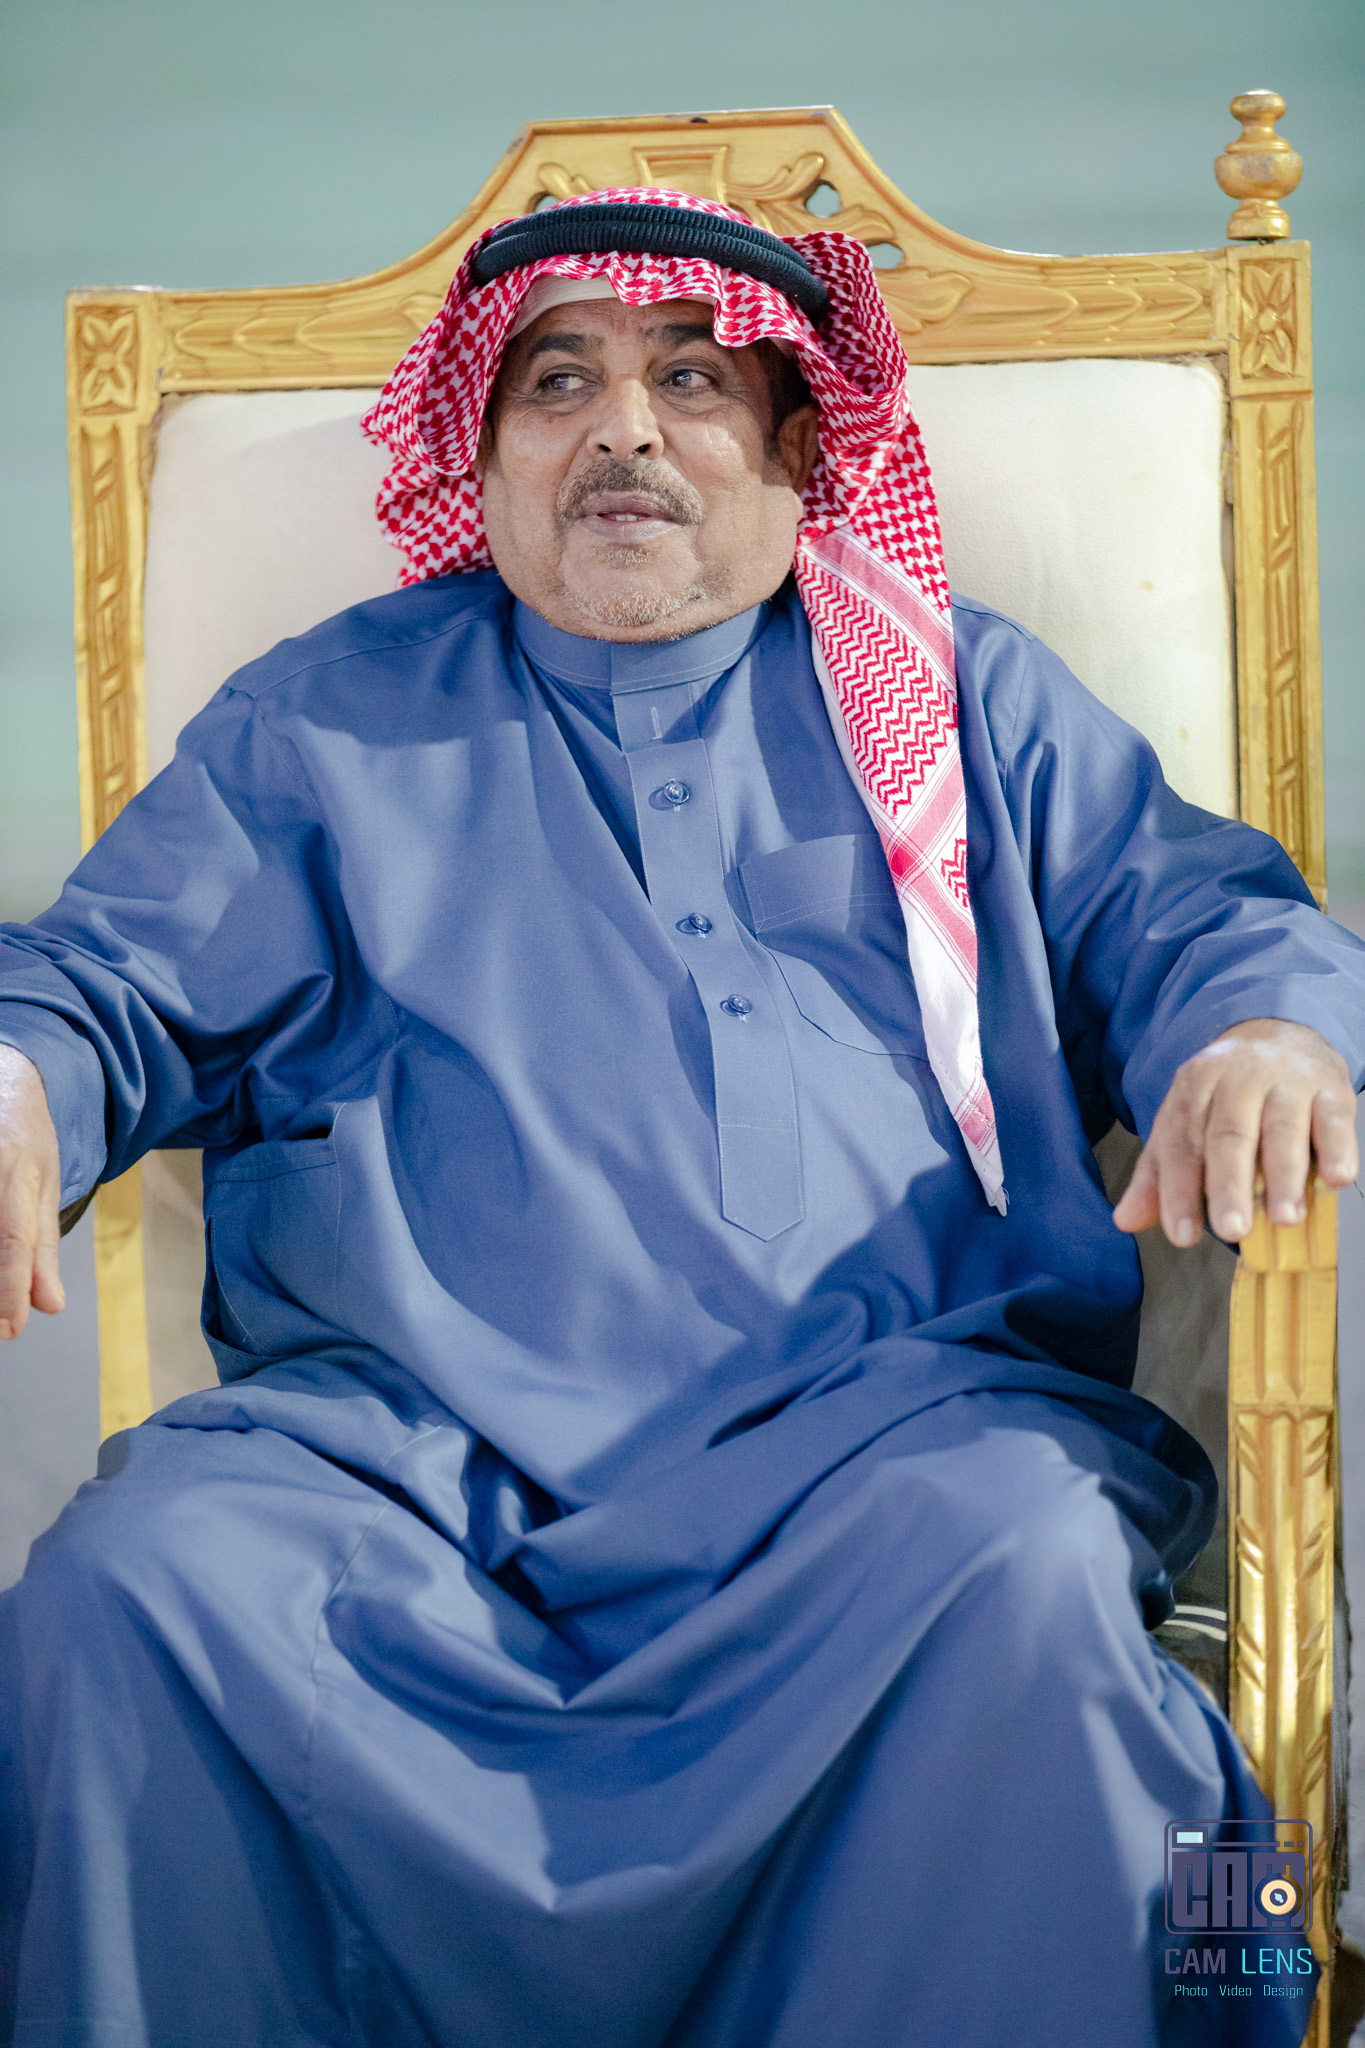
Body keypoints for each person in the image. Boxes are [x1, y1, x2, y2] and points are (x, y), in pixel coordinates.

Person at [0, 187, 1360, 2048]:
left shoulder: (955, 696)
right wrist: (17, 1075)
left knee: (1026, 1582)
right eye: (557, 381)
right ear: (482, 454)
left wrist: (1266, 1032)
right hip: (406, 1476)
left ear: (801, 445)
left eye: (693, 380)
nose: (621, 429)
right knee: (130, 1590)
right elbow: (101, 980)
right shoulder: (326, 723)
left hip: (885, 1455)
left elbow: (1198, 912)